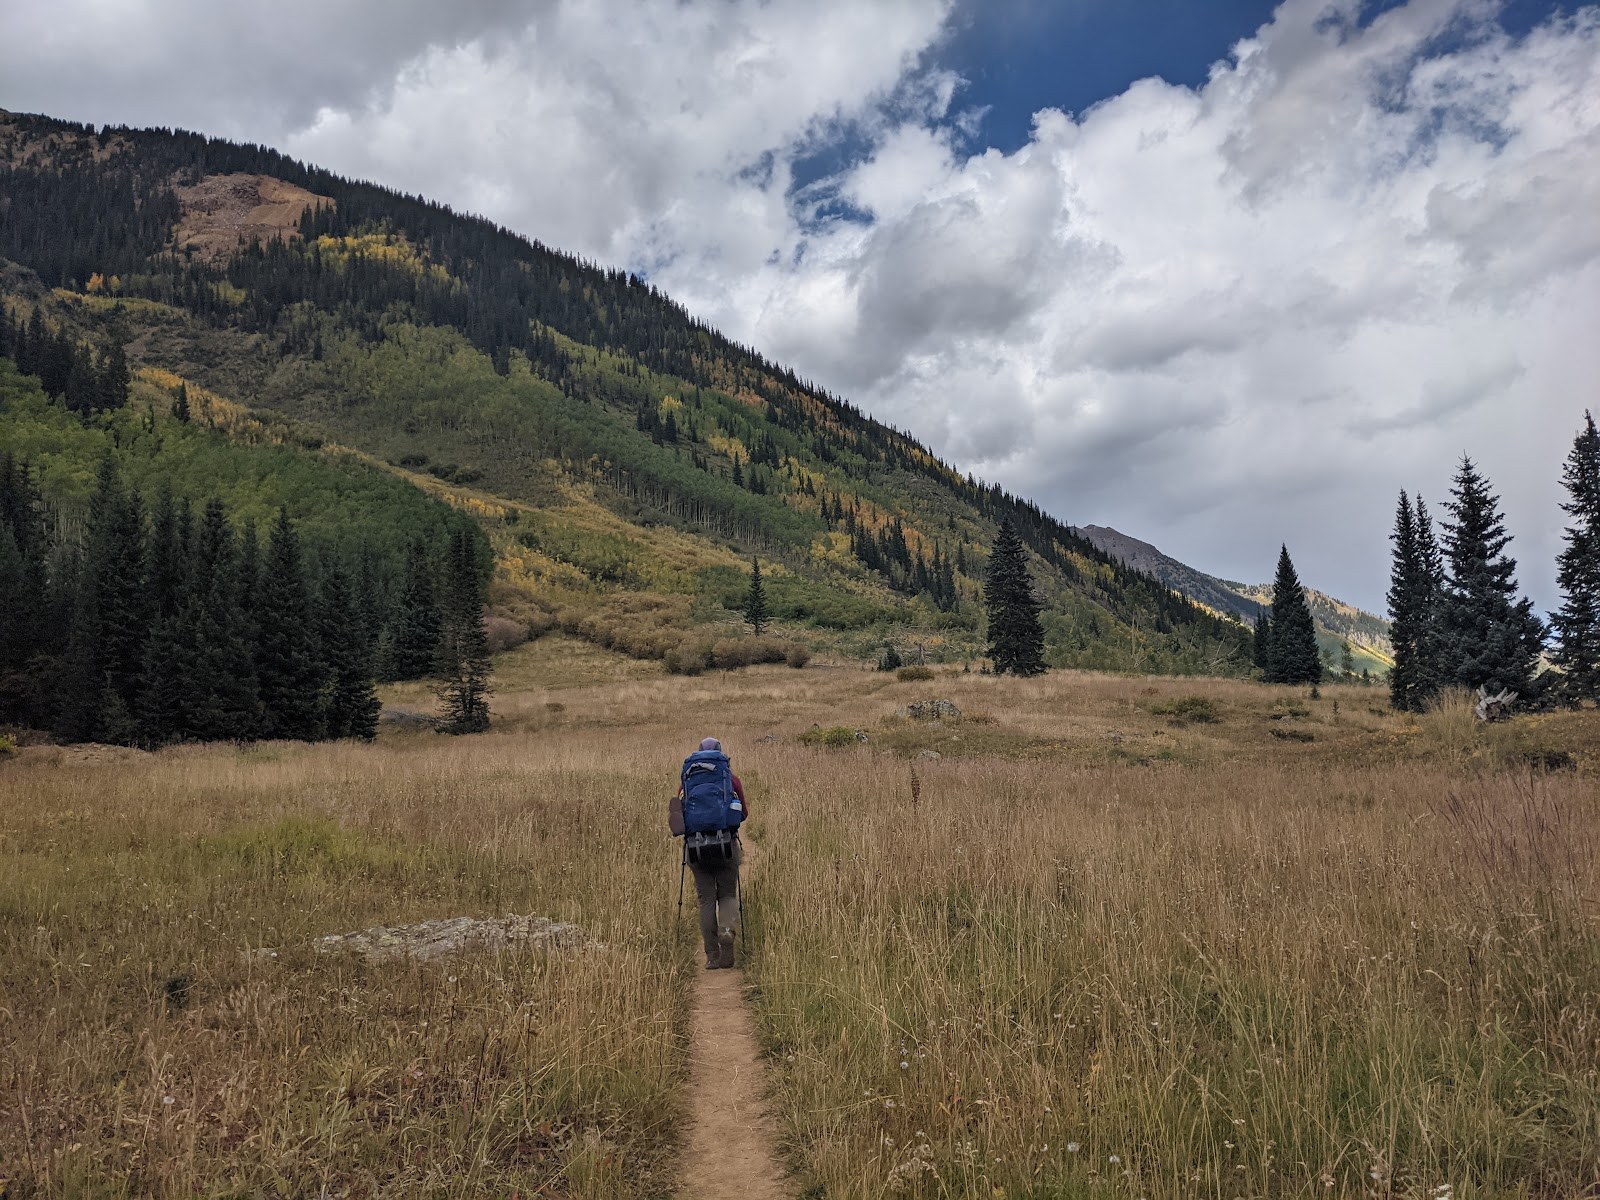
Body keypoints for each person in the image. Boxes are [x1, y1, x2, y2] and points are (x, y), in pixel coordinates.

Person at [670, 736, 747, 970]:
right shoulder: (730, 780)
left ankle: (712, 956)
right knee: (727, 897)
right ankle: (727, 952)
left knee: (705, 901)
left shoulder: (687, 783)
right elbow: (742, 813)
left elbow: (680, 815)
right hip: (726, 848)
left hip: (696, 850)